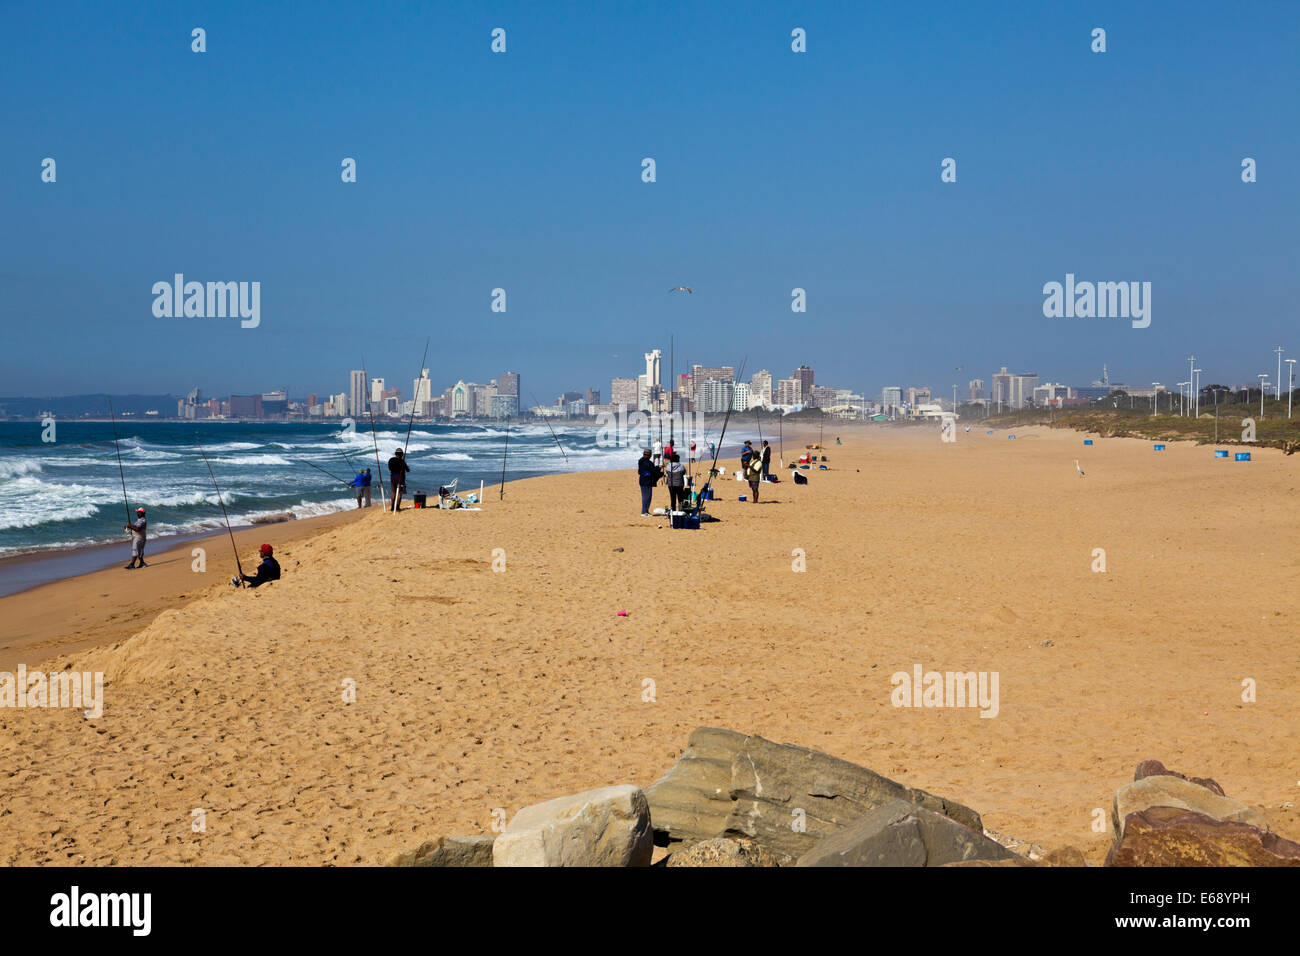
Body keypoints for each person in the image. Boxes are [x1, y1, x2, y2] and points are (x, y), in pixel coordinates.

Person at [637, 448, 661, 515]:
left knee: (645, 496)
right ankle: (644, 512)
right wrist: (659, 469)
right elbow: (653, 471)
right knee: (647, 497)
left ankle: (645, 511)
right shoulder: (648, 463)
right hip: (647, 481)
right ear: (649, 455)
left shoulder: (641, 461)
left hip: (642, 480)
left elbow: (650, 469)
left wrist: (657, 468)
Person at [387, 448, 410, 512]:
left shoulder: (391, 460)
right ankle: (397, 507)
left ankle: (392, 507)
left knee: (393, 492)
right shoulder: (402, 461)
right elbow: (408, 470)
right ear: (402, 454)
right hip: (400, 478)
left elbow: (389, 468)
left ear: (395, 454)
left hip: (393, 477)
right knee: (400, 493)